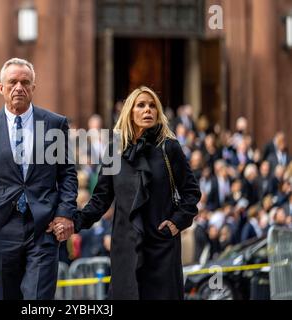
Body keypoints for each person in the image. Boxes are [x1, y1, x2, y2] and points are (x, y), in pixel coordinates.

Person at [55, 86, 201, 299]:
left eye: (152, 106)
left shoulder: (169, 148)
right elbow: (100, 200)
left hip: (161, 246)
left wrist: (176, 222)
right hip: (125, 248)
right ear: (129, 112)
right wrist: (74, 222)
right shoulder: (115, 150)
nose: (147, 110)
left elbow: (191, 192)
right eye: (140, 105)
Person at [0, 57, 78, 300]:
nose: (19, 87)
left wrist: (65, 212)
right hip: (3, 226)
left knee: (38, 299)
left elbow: (67, 174)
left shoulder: (54, 124)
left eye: (25, 82)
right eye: (12, 82)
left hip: (44, 227)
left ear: (33, 88)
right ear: (1, 88)